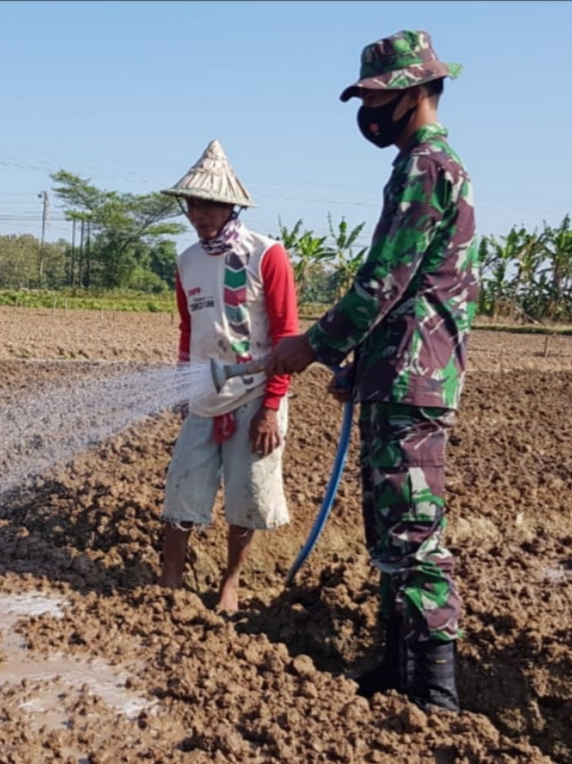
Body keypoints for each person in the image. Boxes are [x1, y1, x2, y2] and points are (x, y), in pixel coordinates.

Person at [266, 30, 477, 713]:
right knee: (391, 529)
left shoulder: (427, 165)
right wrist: (361, 363)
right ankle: (398, 666)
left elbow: (386, 278)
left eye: (380, 96)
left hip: (414, 376)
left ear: (415, 91)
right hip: (398, 371)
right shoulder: (418, 164)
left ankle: (435, 698)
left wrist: (315, 345)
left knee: (413, 534)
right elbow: (407, 289)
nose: (370, 111)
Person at [158, 139, 300, 614]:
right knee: (181, 489)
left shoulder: (267, 254)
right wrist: (184, 382)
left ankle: (230, 584)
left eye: (209, 204)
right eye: (193, 204)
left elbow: (285, 335)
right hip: (203, 394)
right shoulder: (187, 262)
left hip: (254, 396)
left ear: (230, 204)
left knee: (246, 496)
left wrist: (272, 406)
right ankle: (169, 583)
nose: (199, 214)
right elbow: (189, 328)